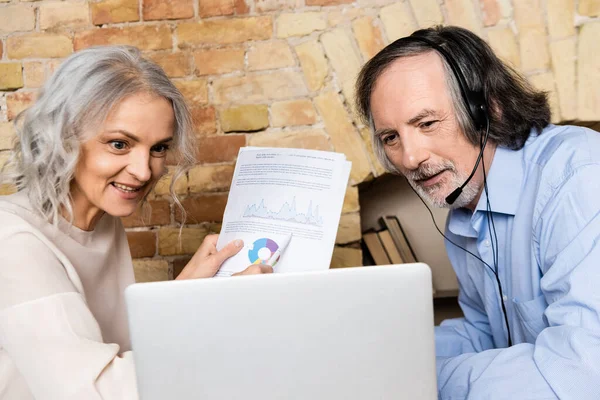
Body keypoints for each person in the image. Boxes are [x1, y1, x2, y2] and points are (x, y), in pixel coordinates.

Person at [0, 45, 271, 399]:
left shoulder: (101, 219)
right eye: (118, 144)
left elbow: (122, 354)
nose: (144, 171)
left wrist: (185, 292)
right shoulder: (13, 242)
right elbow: (96, 391)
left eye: (159, 148)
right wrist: (220, 310)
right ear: (63, 137)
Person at [356, 25, 600, 399]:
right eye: (392, 137)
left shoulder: (579, 175)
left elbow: (584, 373)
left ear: (488, 109)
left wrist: (420, 381)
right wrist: (377, 356)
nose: (409, 157)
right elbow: (486, 332)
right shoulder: (464, 208)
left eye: (426, 123)